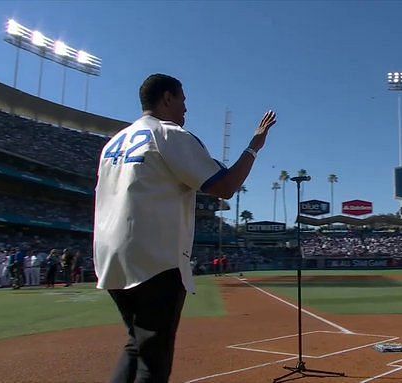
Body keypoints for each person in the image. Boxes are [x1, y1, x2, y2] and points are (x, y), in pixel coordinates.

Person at [93, 73, 276, 383]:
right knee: (154, 360)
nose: (186, 110)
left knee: (137, 345)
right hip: (154, 258)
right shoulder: (170, 134)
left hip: (109, 258)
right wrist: (254, 146)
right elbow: (226, 186)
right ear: (167, 98)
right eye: (182, 101)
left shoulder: (114, 141)